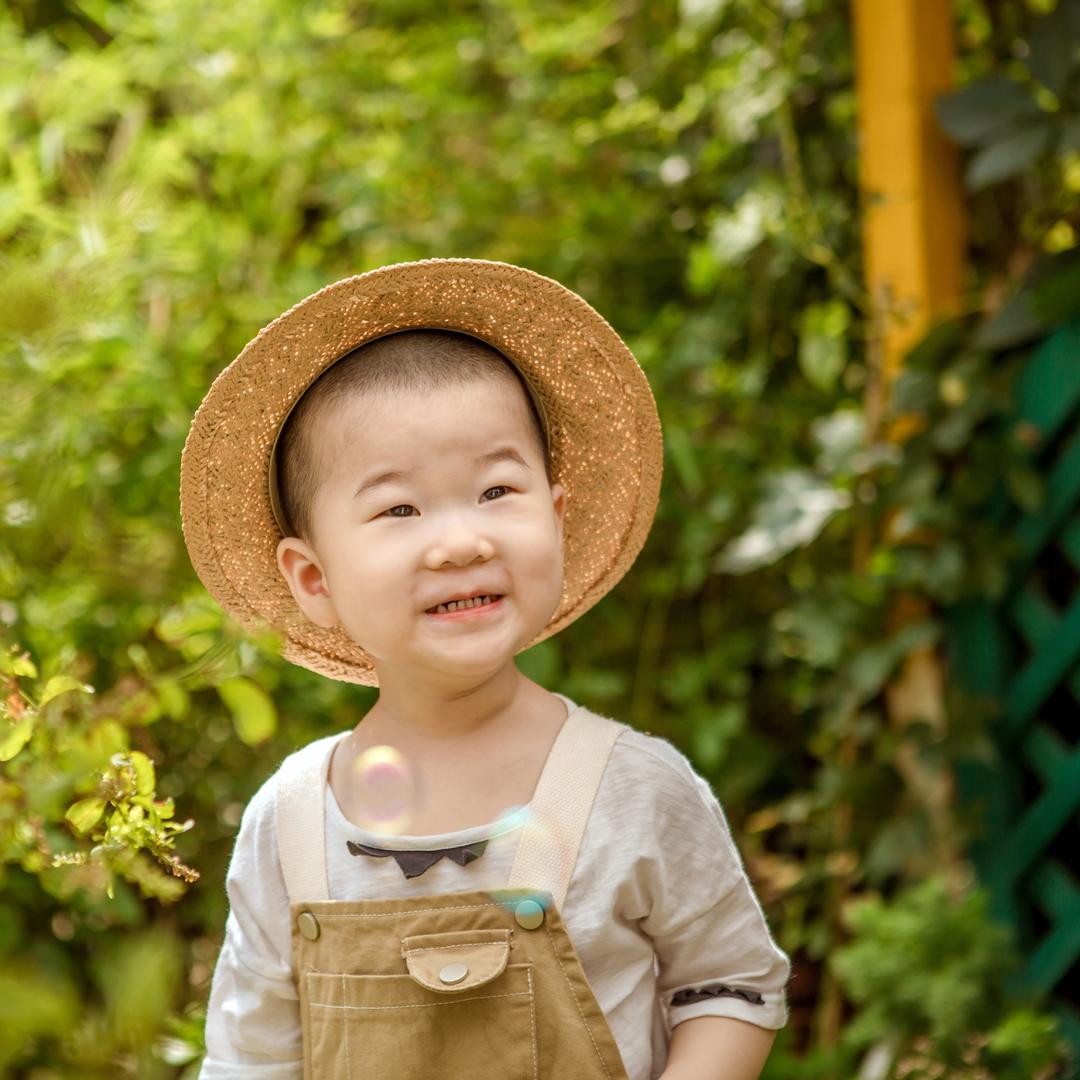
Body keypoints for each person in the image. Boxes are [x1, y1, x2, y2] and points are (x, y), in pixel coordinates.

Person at [180, 258, 792, 1080]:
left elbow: (732, 984)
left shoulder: (633, 789)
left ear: (558, 519)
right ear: (315, 580)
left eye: (497, 491)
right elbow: (249, 1061)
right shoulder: (291, 827)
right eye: (399, 508)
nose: (462, 541)